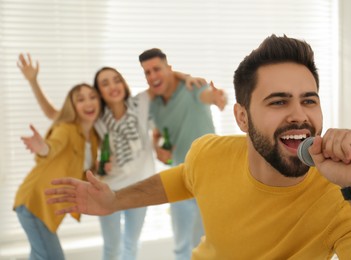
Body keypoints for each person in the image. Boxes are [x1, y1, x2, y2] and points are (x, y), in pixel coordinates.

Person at [46, 34, 351, 259]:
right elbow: (180, 180)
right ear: (242, 118)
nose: (299, 115)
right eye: (278, 102)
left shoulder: (342, 197)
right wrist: (115, 201)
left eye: (309, 101)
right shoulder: (209, 152)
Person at [17, 53, 209, 260]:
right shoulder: (96, 117)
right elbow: (55, 113)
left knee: (131, 245)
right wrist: (33, 81)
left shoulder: (141, 102)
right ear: (99, 92)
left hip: (140, 188)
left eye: (116, 80)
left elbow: (160, 79)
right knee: (112, 247)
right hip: (108, 189)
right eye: (105, 84)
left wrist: (186, 77)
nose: (112, 86)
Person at [138, 48, 227, 260]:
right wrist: (156, 147)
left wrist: (218, 97)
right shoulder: (155, 105)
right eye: (147, 72)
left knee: (205, 242)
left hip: (209, 177)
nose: (152, 76)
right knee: (180, 245)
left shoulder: (193, 87)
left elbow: (213, 97)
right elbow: (158, 133)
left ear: (169, 69)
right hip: (180, 177)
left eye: (157, 69)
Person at [14, 83, 100, 260]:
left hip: (48, 207)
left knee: (40, 255)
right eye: (80, 99)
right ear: (73, 106)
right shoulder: (66, 129)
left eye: (93, 97)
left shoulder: (92, 137)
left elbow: (82, 170)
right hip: (34, 203)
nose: (88, 102)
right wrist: (42, 147)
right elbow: (52, 147)